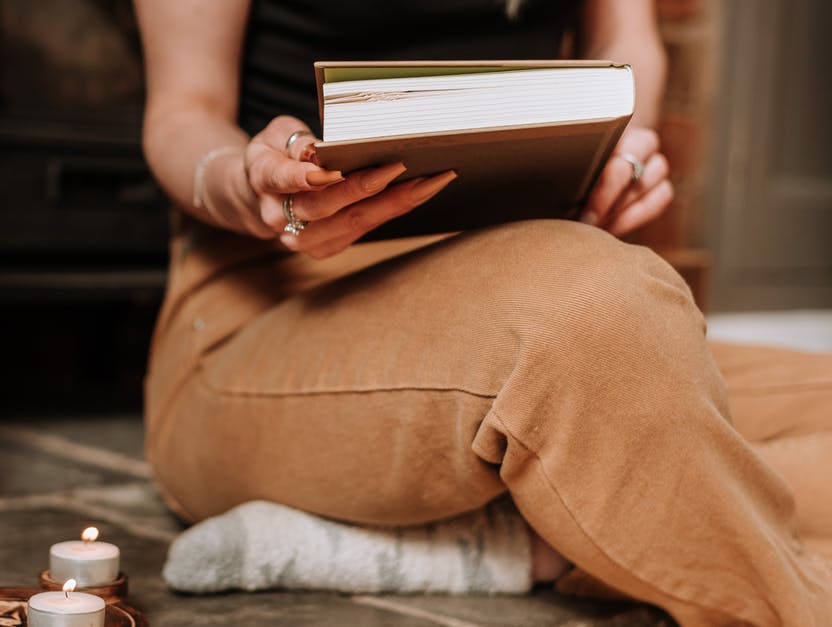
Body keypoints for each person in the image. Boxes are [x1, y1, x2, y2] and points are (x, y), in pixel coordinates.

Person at [133, 1, 832, 624]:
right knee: (597, 306)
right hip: (271, 307)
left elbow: (627, 38)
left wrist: (625, 148)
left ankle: (516, 542)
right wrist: (252, 184)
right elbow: (180, 113)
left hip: (515, 267)